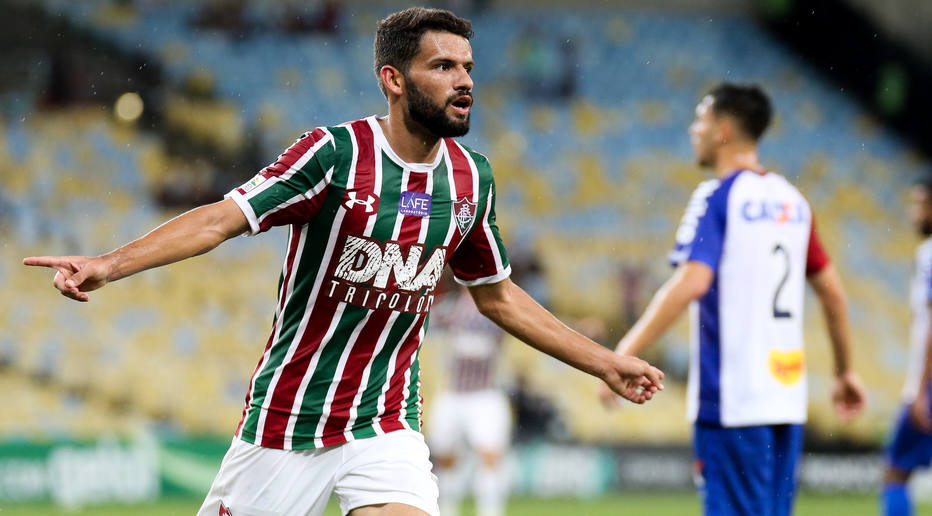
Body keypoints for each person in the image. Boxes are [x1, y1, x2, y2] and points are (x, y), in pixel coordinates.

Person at [24, 8, 664, 516]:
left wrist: (605, 363)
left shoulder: (472, 178)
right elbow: (221, 219)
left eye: (468, 67)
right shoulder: (333, 155)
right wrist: (109, 264)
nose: (464, 81)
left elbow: (496, 295)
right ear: (394, 79)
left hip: (385, 421)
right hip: (288, 420)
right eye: (443, 66)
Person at [600, 83, 866, 516]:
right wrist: (844, 372)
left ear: (723, 129)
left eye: (700, 119)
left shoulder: (717, 196)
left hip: (733, 401)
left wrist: (623, 352)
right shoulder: (793, 201)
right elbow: (833, 295)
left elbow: (691, 283)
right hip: (785, 400)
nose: (693, 130)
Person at [426, 280, 511, 516]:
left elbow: (528, 322)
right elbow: (426, 318)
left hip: (485, 393)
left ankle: (491, 512)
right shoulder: (450, 308)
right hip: (453, 393)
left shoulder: (496, 311)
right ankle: (447, 511)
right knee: (446, 457)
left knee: (490, 456)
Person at [881, 176, 932, 516]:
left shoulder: (929, 254)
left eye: (920, 204)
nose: (914, 212)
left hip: (929, 383)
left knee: (895, 472)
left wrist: (921, 388)